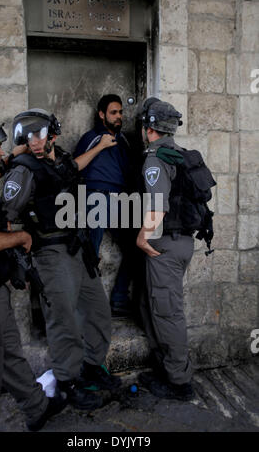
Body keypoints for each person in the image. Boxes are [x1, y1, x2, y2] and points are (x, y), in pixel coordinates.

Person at [2, 108, 121, 411]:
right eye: (28, 138)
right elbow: (6, 215)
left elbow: (72, 168)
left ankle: (92, 367)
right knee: (64, 321)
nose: (35, 142)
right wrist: (15, 257)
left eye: (40, 135)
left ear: (52, 135)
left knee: (97, 311)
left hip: (77, 247)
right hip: (50, 252)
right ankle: (67, 384)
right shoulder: (24, 168)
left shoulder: (59, 159)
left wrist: (99, 147)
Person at [0, 115, 66, 432]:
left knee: (9, 353)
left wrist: (20, 152)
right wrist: (20, 238)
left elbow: (0, 171)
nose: (1, 153)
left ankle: (36, 408)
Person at [136, 98, 195, 401]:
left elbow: (158, 207)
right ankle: (166, 368)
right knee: (156, 308)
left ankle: (179, 383)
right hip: (182, 242)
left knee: (168, 313)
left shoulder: (156, 158)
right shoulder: (180, 155)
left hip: (165, 246)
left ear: (149, 128)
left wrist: (142, 238)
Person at [73, 94, 135, 317]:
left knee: (134, 247)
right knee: (90, 252)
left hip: (121, 200)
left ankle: (119, 299)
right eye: (113, 112)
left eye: (120, 112)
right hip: (95, 197)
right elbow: (74, 168)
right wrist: (100, 146)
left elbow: (129, 172)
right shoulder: (90, 138)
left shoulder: (124, 141)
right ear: (102, 114)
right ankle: (84, 305)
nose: (118, 116)